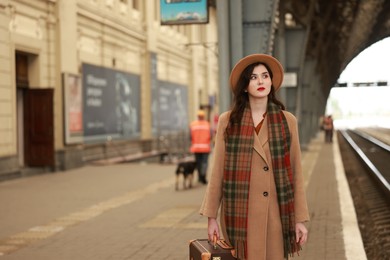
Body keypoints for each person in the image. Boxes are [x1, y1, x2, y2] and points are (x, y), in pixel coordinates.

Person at [199, 54, 310, 260]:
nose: (260, 81)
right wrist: (211, 217)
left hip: (277, 214)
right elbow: (218, 172)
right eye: (253, 77)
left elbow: (296, 173)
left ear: (271, 82)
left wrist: (300, 219)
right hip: (241, 215)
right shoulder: (229, 121)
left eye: (265, 76)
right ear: (244, 86)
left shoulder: (287, 121)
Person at [190, 110, 212, 184]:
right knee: (204, 163)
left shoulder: (193, 124)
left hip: (196, 148)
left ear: (198, 116)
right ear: (203, 116)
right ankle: (203, 176)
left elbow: (190, 136)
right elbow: (211, 136)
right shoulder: (207, 125)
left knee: (198, 163)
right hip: (205, 148)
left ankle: (199, 177)